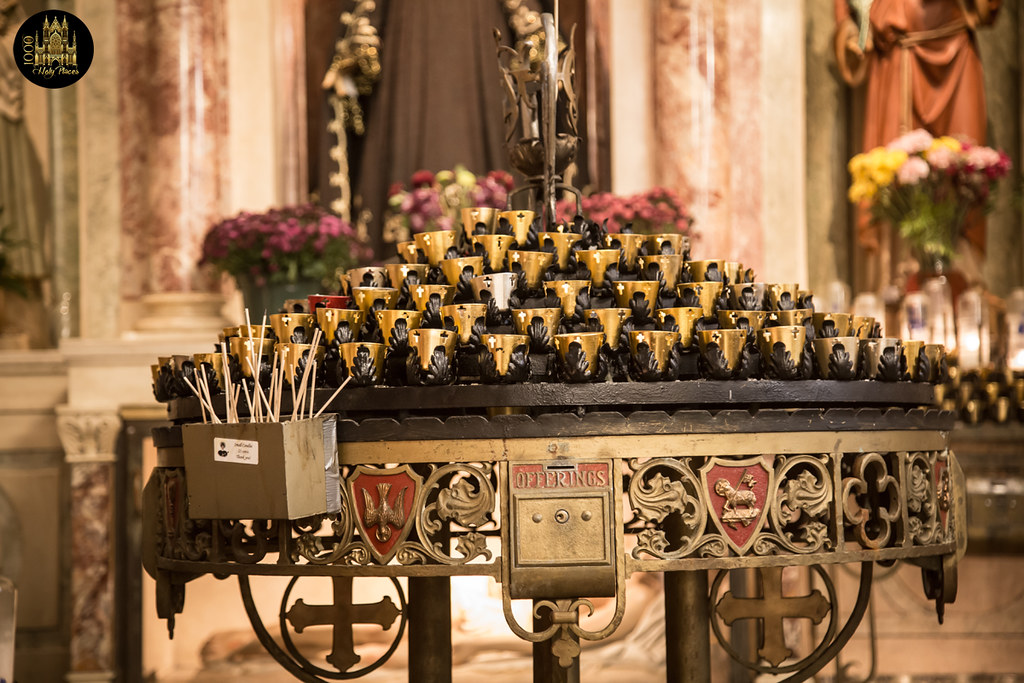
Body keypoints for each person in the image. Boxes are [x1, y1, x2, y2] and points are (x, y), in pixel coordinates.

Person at [834, 0, 1000, 289]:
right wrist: (853, 31)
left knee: (965, 167)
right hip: (897, 57)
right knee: (893, 177)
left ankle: (963, 287)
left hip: (956, 46)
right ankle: (896, 284)